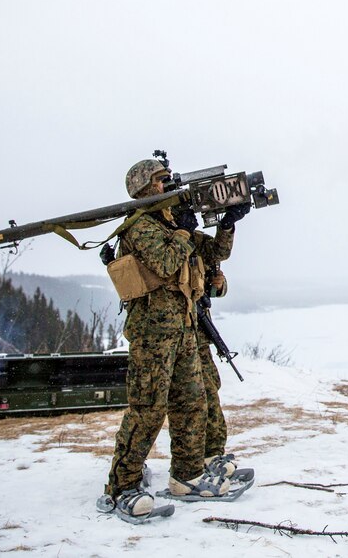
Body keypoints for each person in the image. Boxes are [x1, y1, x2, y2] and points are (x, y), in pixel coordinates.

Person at [102, 158, 230, 521]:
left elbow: (214, 253)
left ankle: (187, 476)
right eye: (162, 181)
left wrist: (228, 224)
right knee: (147, 410)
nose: (168, 185)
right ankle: (120, 486)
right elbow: (168, 263)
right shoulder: (140, 227)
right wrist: (185, 233)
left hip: (185, 328)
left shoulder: (172, 222)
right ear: (144, 188)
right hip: (152, 335)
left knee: (191, 402)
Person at [189, 202, 251, 481]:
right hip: (169, 336)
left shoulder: (191, 239)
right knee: (174, 401)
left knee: (209, 390)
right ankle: (187, 465)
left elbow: (218, 253)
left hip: (198, 331)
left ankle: (213, 454)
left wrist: (226, 225)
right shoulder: (156, 236)